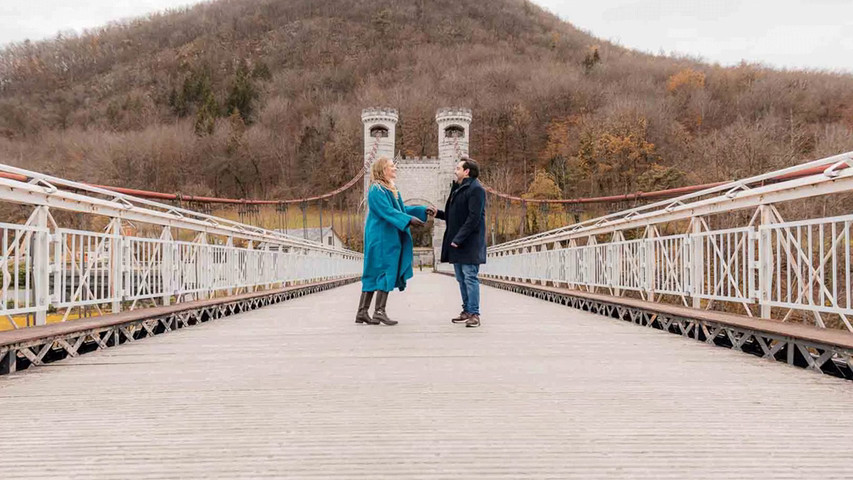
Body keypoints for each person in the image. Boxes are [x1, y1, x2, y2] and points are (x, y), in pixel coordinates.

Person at [356, 157, 428, 326]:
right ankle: (379, 311)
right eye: (391, 166)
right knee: (385, 269)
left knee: (377, 270)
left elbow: (401, 209)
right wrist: (409, 220)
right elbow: (387, 211)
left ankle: (362, 312)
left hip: (387, 235)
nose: (395, 168)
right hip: (381, 236)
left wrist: (422, 210)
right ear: (383, 170)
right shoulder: (376, 190)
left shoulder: (389, 189)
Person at [427, 157, 486, 328]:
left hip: (469, 242)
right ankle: (467, 310)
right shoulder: (457, 189)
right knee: (461, 278)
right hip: (457, 242)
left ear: (467, 171)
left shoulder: (477, 190)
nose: (455, 170)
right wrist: (437, 213)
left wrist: (458, 239)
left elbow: (474, 218)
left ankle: (474, 314)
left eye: (458, 167)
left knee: (470, 277)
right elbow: (454, 216)